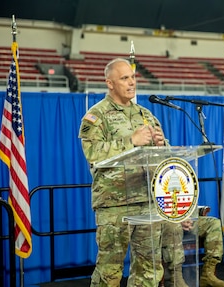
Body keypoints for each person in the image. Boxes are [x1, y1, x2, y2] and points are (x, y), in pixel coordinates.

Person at [78, 58, 169, 287]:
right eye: (124, 78)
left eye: (133, 77)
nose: (131, 83)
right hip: (114, 205)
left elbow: (165, 155)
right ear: (110, 83)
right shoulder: (96, 116)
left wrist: (161, 145)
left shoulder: (146, 115)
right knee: (109, 271)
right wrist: (132, 140)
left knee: (149, 268)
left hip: (147, 201)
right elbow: (93, 153)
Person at [161, 216, 224, 287]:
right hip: (167, 220)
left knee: (213, 223)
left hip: (186, 218)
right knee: (174, 227)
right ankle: (176, 279)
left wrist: (187, 217)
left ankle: (208, 274)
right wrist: (177, 219)